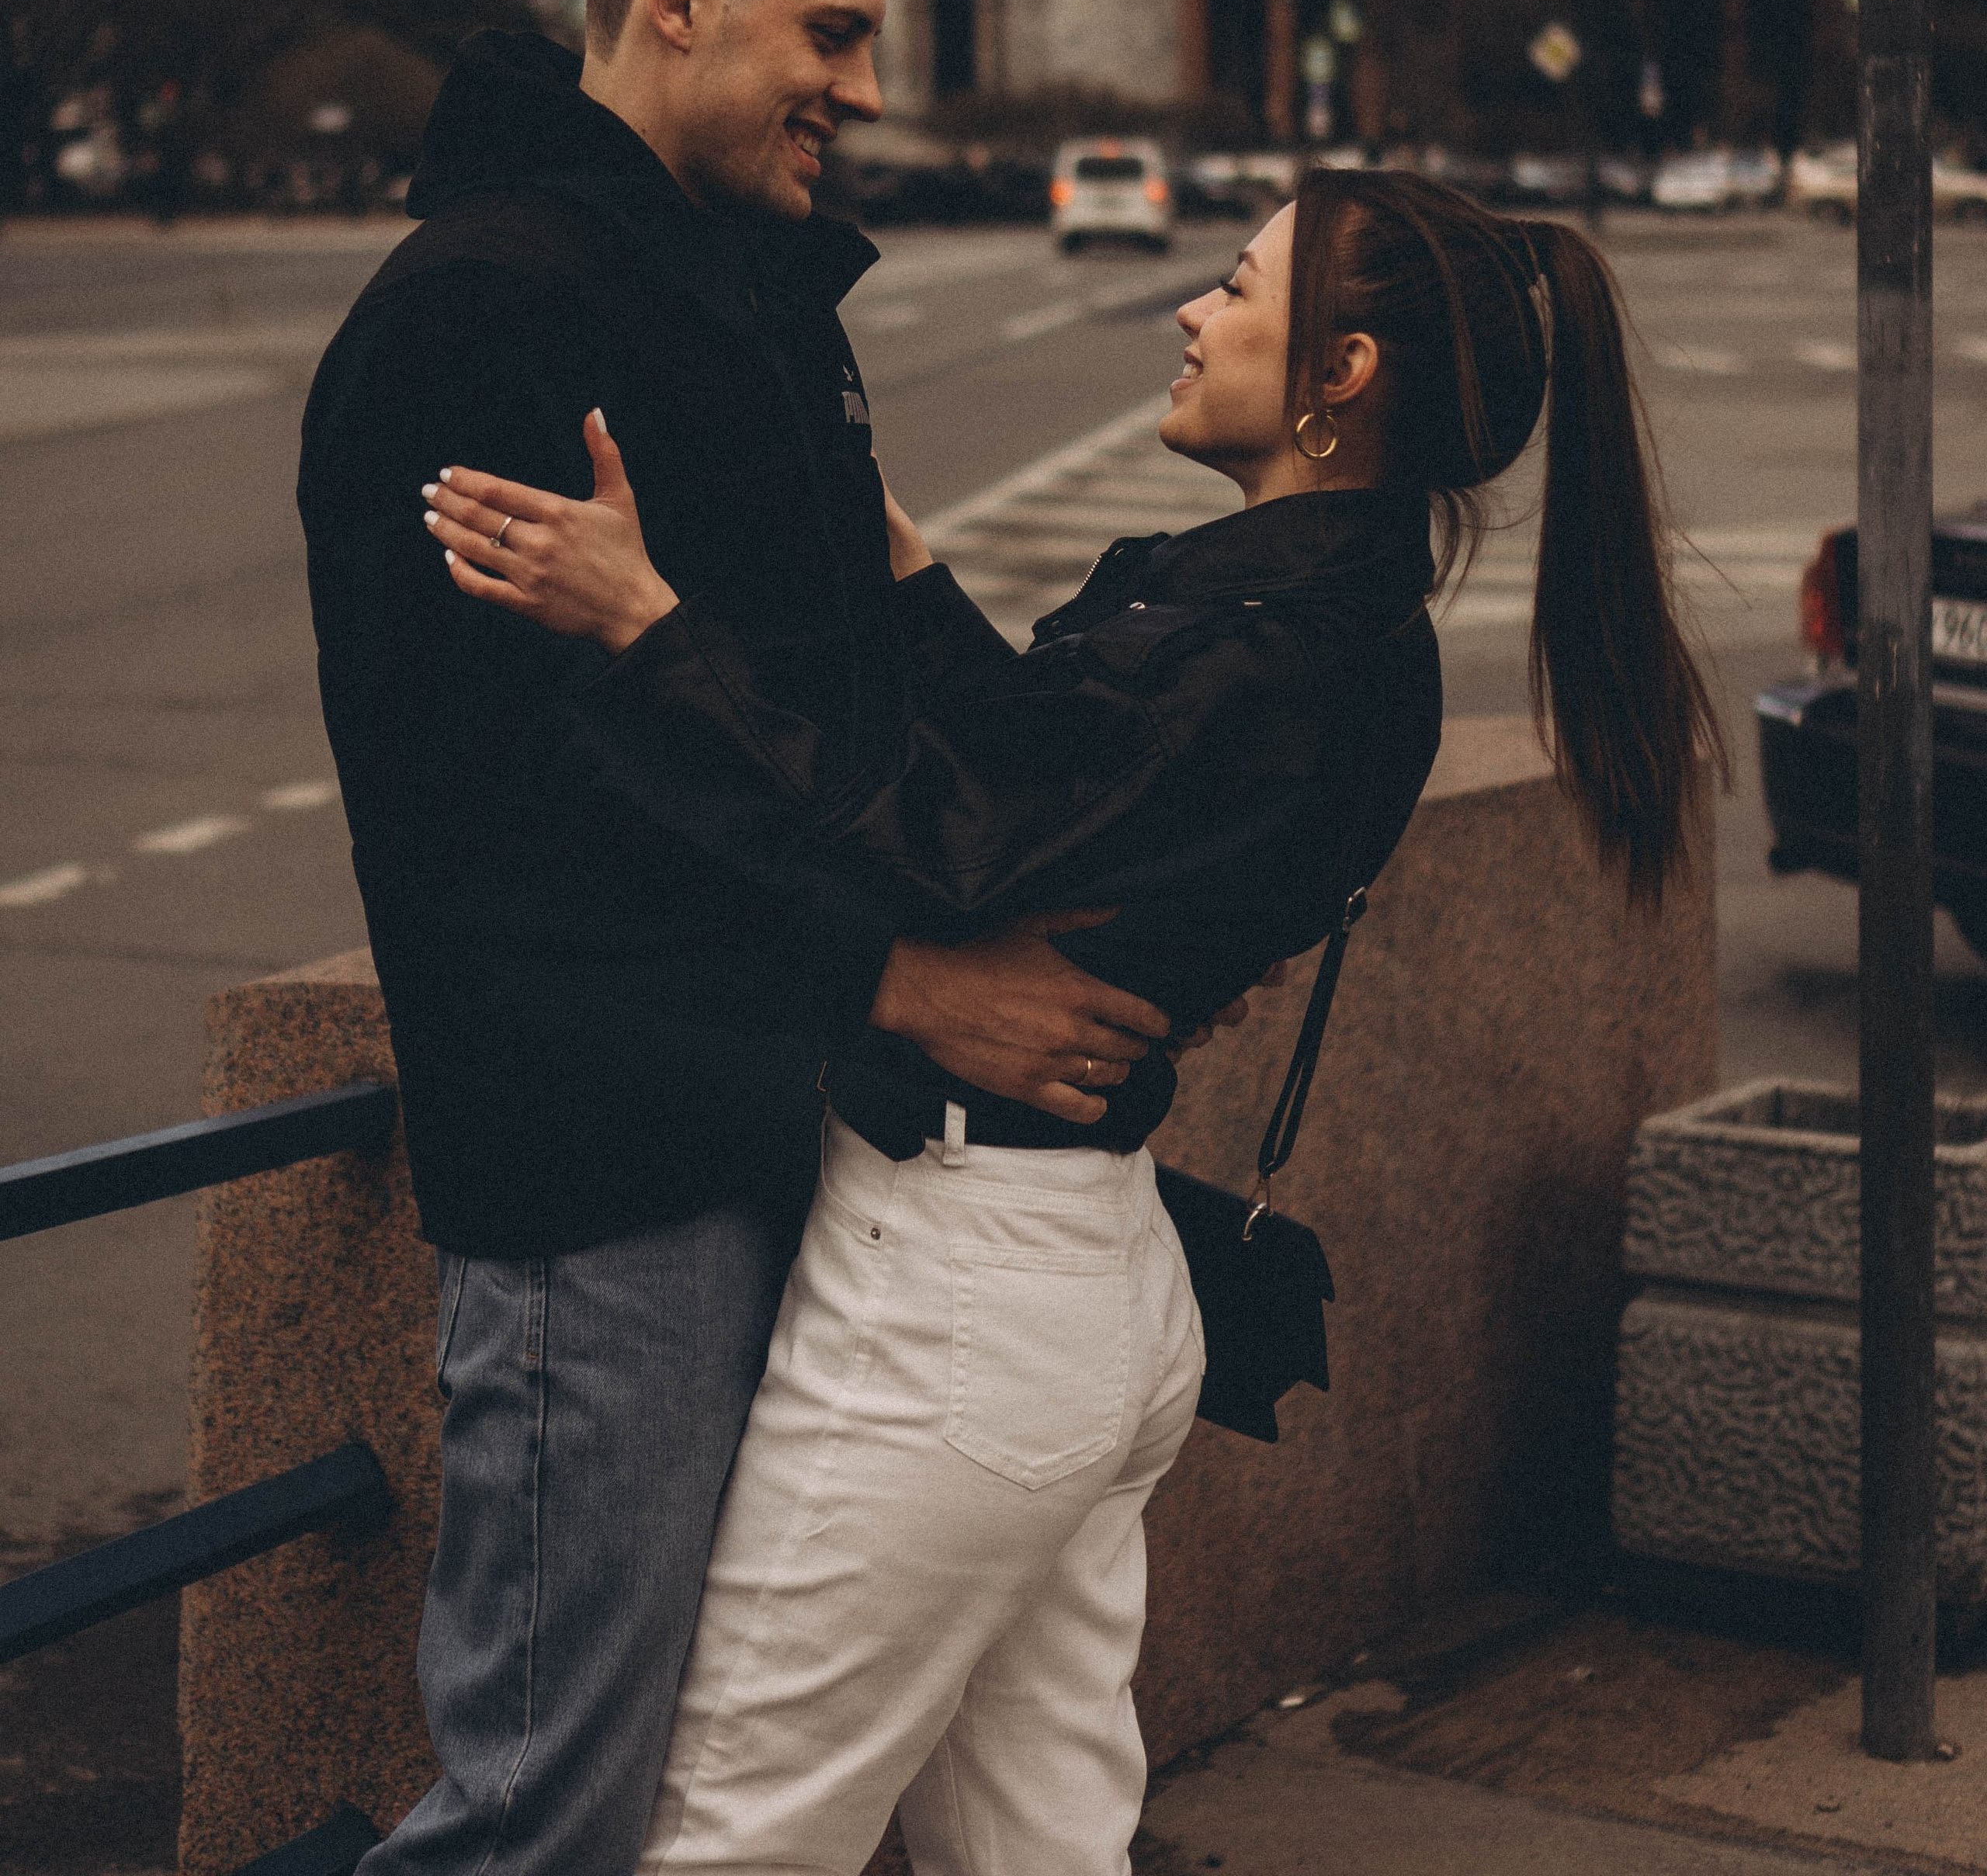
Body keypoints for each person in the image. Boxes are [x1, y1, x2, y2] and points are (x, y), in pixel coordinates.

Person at [424, 165, 1726, 1876]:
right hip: (1080, 1286)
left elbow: (952, 844)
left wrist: (646, 623)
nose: (1192, 309)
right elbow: (1044, 768)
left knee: (721, 1837)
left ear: (1337, 376)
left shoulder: (1271, 646)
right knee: (1037, 1846)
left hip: (961, 1306)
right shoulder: (1323, 610)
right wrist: (886, 545)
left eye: (1238, 288)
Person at [297, 0, 1174, 1876]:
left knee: (699, 1777)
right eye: (833, 37)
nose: (866, 93)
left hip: (778, 1122)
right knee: (554, 1809)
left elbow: (822, 716)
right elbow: (511, 791)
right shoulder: (488, 309)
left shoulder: (741, 291)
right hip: (610, 1168)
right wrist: (892, 978)